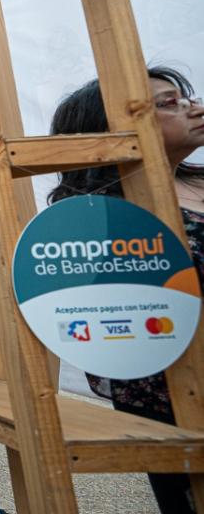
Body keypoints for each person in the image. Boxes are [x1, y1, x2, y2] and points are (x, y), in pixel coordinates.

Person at [48, 67, 204, 514]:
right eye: (167, 103)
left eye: (186, 97)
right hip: (170, 387)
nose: (192, 108)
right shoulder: (100, 218)